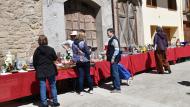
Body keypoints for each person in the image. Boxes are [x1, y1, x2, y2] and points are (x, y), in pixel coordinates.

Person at [33, 35, 60, 107]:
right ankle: (55, 102)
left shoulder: (37, 50)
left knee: (42, 86)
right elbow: (55, 58)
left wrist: (37, 68)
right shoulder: (51, 49)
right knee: (53, 86)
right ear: (46, 41)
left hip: (41, 70)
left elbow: (34, 62)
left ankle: (44, 103)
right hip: (50, 69)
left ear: (39, 41)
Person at [72, 29, 93, 96]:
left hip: (78, 61)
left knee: (80, 76)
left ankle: (80, 91)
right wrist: (90, 50)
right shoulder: (83, 43)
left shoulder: (73, 43)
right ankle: (91, 89)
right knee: (87, 75)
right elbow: (88, 52)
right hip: (85, 60)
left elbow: (74, 52)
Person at [106, 28, 121, 93]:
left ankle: (117, 88)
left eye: (108, 33)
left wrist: (112, 58)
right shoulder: (111, 39)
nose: (107, 34)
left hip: (114, 59)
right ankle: (115, 86)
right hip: (113, 59)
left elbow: (117, 50)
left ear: (111, 32)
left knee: (115, 73)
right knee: (113, 73)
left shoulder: (114, 40)